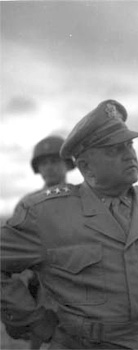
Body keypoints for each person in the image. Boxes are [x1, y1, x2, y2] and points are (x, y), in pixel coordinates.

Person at [1, 99, 138, 349]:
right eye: (113, 150)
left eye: (129, 145)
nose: (129, 154)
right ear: (85, 166)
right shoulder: (44, 214)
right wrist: (35, 322)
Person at [7, 135, 76, 350]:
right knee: (45, 338)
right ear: (38, 169)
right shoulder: (28, 203)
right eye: (44, 163)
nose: (50, 167)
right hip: (44, 284)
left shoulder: (83, 197)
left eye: (54, 161)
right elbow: (14, 247)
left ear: (67, 164)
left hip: (82, 281)